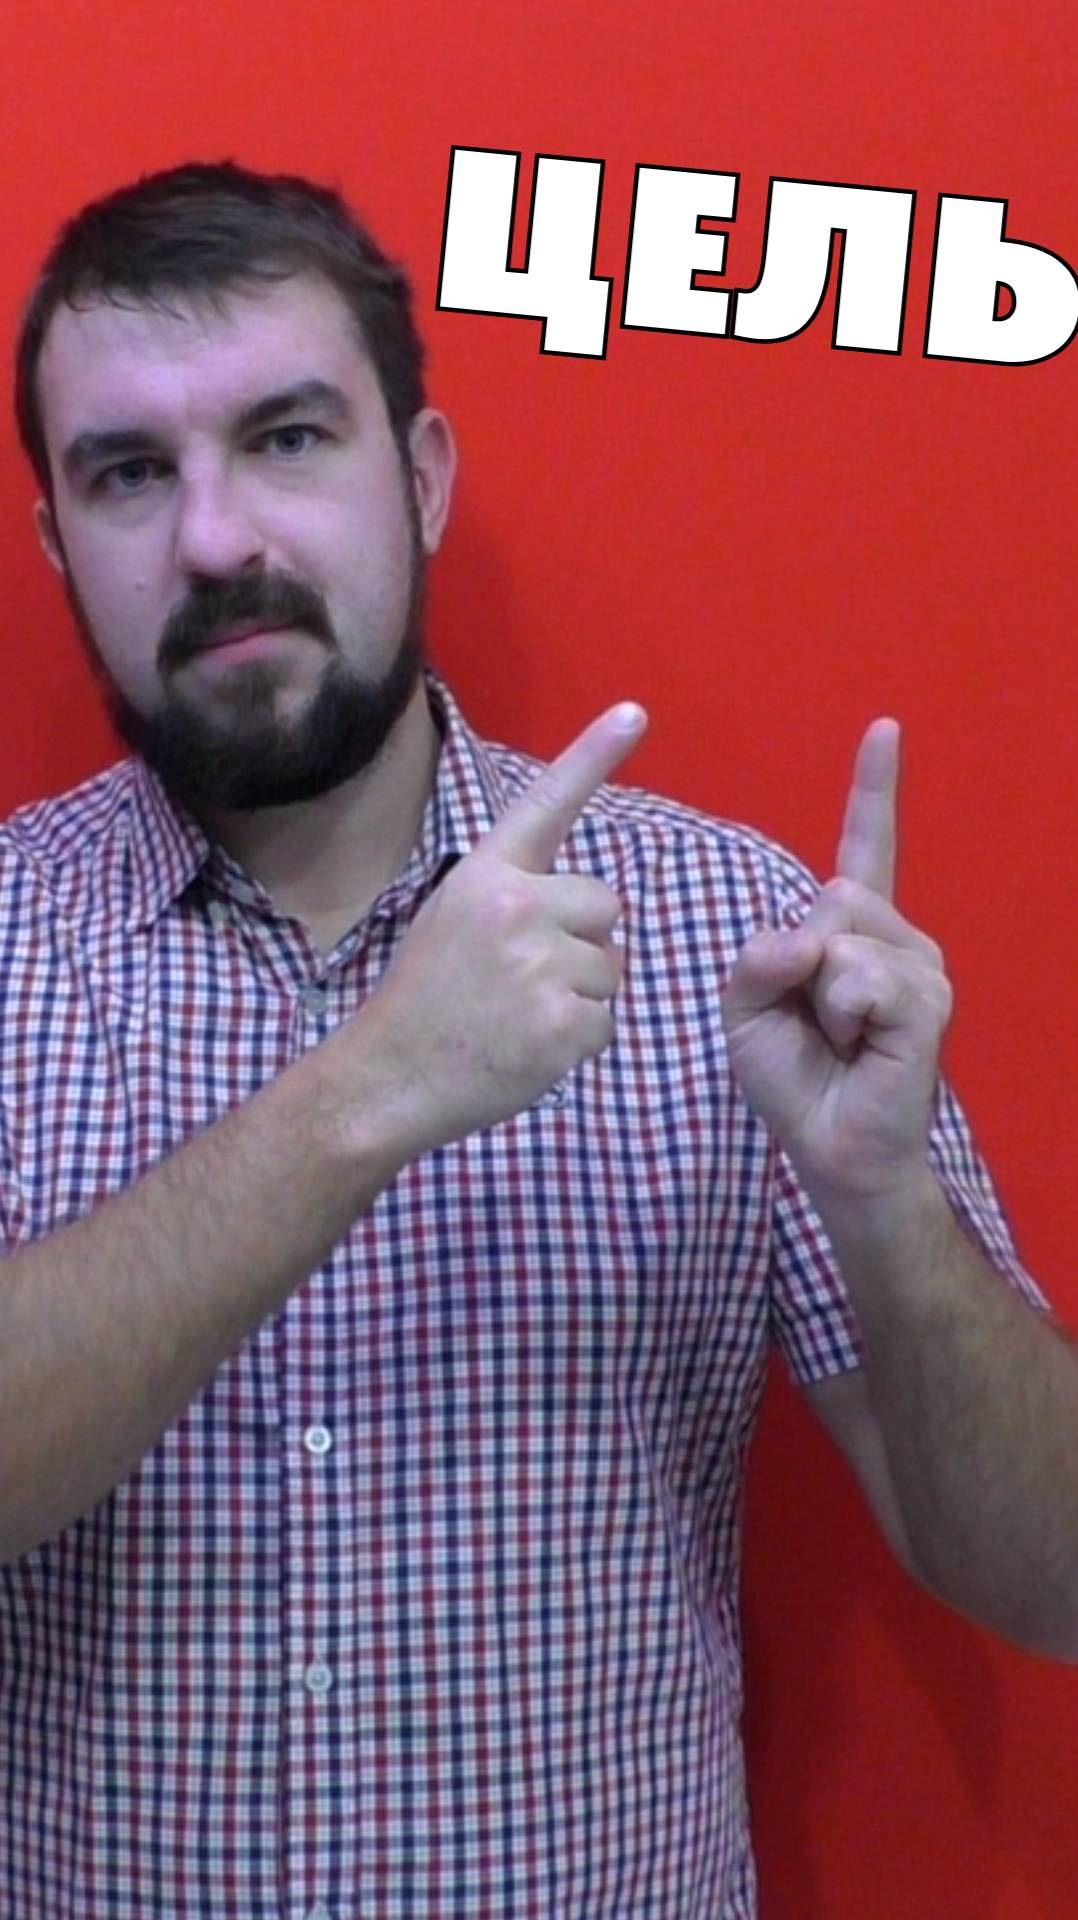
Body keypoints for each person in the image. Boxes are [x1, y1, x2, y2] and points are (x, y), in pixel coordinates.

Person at [0, 159, 1075, 1920]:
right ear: (57, 539)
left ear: (420, 477)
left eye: (287, 438)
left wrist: (887, 1209)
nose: (214, 540)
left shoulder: (730, 934)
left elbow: (1052, 1583)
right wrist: (372, 1089)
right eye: (128, 472)